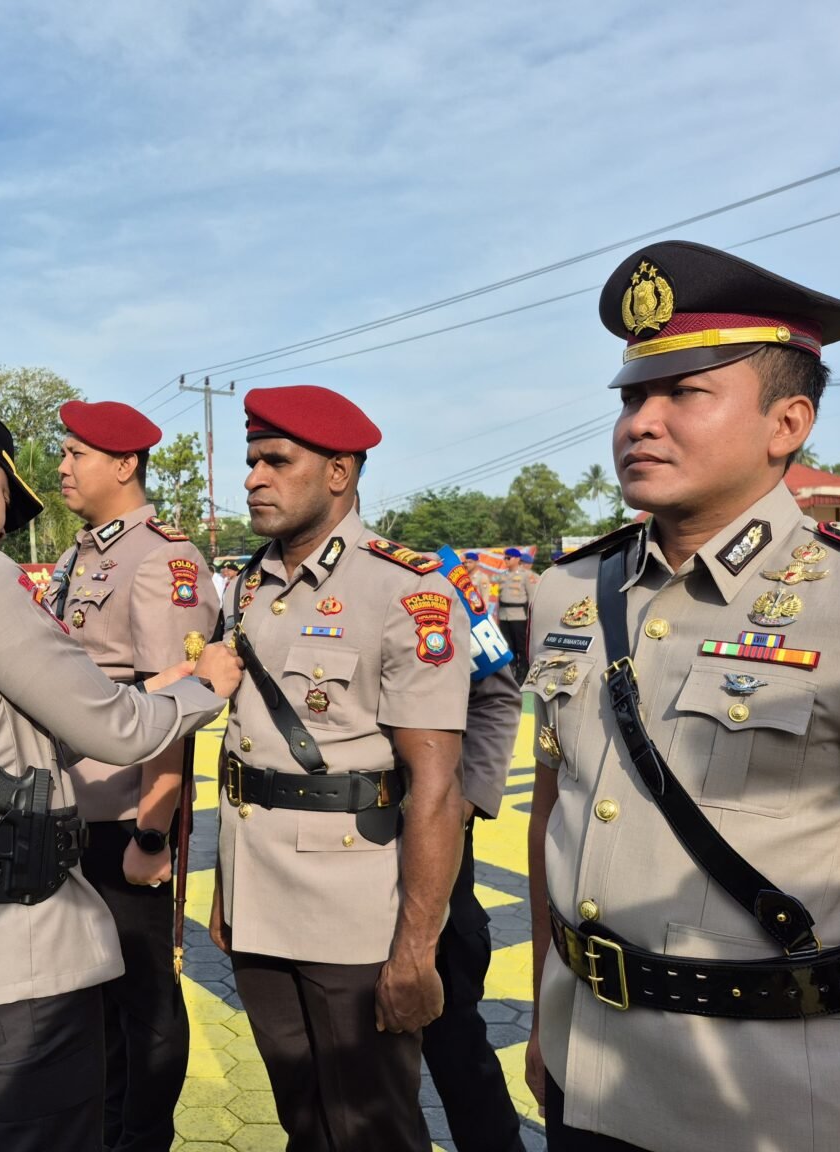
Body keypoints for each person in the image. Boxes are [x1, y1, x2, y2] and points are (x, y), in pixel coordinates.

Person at [523, 240, 840, 1151]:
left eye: (685, 393)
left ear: (786, 423)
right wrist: (540, 1020)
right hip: (586, 1072)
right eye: (634, 396)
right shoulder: (567, 592)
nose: (642, 422)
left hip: (779, 1102)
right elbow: (556, 809)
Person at [0, 401, 242, 1152]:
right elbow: (114, 726)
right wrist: (206, 686)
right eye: (4, 491)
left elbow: (34, 724)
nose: (7, 517)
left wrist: (154, 779)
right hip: (16, 945)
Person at [207, 384, 473, 1151]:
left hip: (355, 909)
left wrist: (417, 950)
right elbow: (243, 751)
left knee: (372, 1126)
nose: (254, 477)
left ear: (339, 472)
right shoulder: (249, 583)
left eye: (276, 460)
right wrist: (230, 890)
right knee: (302, 1116)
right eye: (251, 460)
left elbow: (436, 789)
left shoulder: (403, 588)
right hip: (260, 895)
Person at [49, 398, 222, 1151]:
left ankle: (142, 1138)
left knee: (145, 997)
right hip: (71, 813)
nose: (61, 466)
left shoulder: (163, 561)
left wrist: (154, 832)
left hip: (124, 820)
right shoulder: (80, 553)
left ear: (124, 465)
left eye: (76, 453)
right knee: (92, 999)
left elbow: (177, 706)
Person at [418, 546, 526, 1152]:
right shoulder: (267, 583)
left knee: (452, 1031)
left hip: (427, 842)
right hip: (320, 863)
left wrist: (464, 803)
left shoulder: (433, 571)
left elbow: (498, 695)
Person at [495, 547, 535, 673]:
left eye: (508, 558)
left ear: (517, 559)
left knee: (521, 646)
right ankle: (512, 669)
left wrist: (531, 617)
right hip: (504, 615)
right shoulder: (503, 575)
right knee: (508, 645)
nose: (505, 560)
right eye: (505, 557)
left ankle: (523, 670)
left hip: (519, 616)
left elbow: (532, 597)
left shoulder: (526, 575)